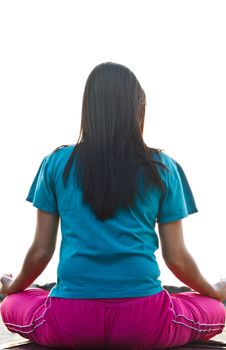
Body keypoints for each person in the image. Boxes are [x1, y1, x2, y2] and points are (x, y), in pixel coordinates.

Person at [0, 62, 225, 350]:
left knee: (14, 302)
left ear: (88, 108)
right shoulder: (163, 168)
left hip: (71, 323)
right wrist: (214, 290)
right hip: (144, 323)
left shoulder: (56, 164)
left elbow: (42, 250)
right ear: (137, 109)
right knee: (214, 308)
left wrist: (14, 286)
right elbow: (176, 257)